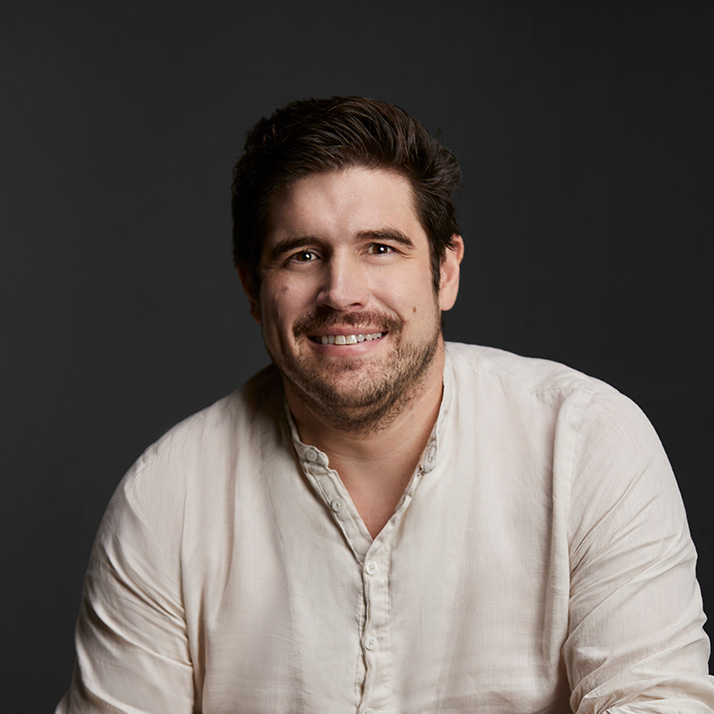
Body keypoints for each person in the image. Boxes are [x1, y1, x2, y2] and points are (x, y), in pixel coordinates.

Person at [56, 96, 714, 713]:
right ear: (253, 291)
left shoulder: (587, 447)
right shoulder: (166, 499)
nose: (341, 292)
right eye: (303, 255)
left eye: (380, 248)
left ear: (445, 270)